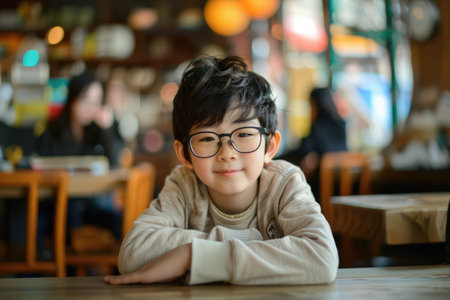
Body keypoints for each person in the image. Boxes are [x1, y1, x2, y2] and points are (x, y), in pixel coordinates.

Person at [104, 56, 338, 285]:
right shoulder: (185, 186)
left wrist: (193, 255)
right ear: (184, 154)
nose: (227, 153)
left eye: (244, 134)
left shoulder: (284, 183)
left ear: (271, 147)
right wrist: (242, 241)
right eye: (207, 137)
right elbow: (133, 254)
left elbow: (322, 257)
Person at [36, 72, 124, 242]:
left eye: (96, 102)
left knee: (117, 220)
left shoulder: (99, 131)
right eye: (85, 100)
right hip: (56, 203)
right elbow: (42, 164)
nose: (90, 107)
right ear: (72, 99)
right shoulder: (52, 130)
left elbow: (116, 160)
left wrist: (107, 129)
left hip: (90, 203)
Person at [281, 87, 348, 200]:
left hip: (321, 197)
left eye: (310, 105)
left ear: (316, 104)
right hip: (343, 195)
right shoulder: (341, 125)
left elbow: (303, 150)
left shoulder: (317, 127)